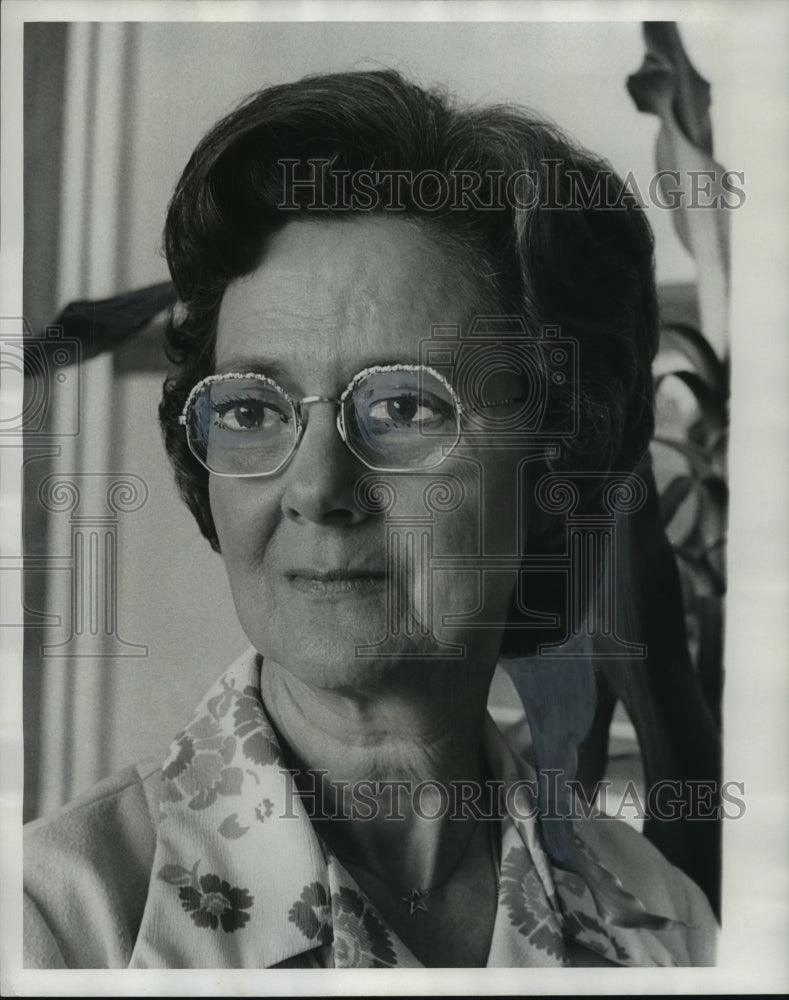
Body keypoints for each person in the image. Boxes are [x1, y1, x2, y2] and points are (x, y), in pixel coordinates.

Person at [23, 69, 717, 968]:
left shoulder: (664, 925)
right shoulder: (56, 924)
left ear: (556, 472)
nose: (315, 487)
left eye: (402, 409)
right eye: (251, 408)